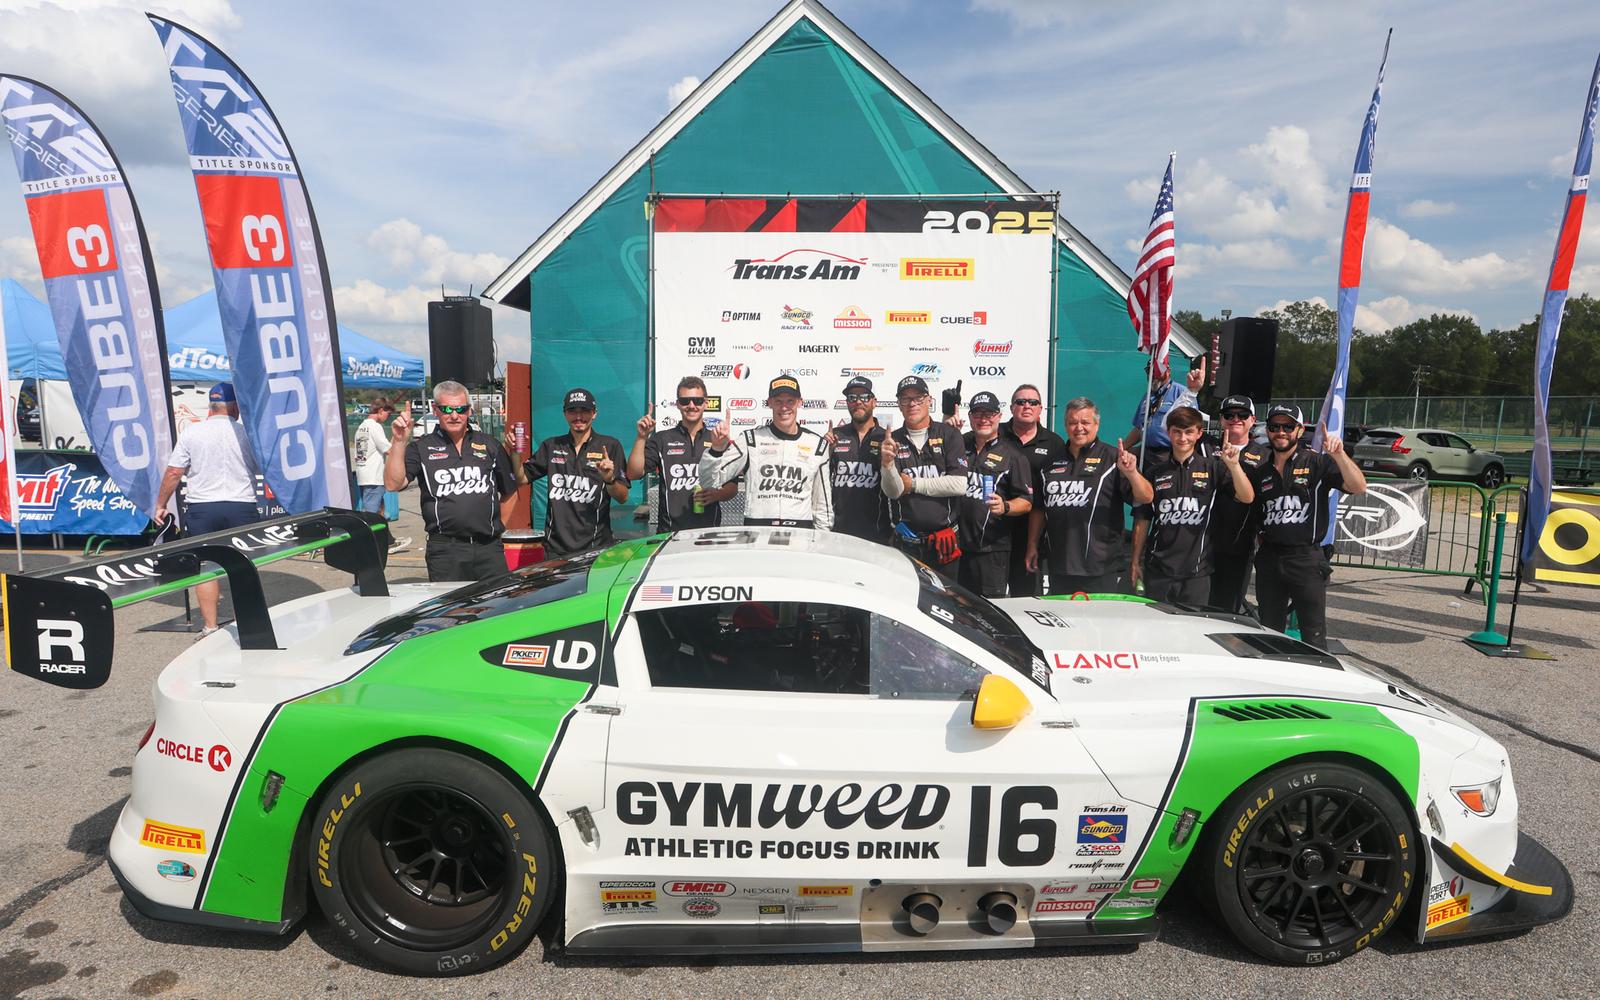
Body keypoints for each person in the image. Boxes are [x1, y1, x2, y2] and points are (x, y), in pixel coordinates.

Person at [1253, 404, 1368, 650]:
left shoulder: (1317, 462)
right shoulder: (1261, 470)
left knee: (1313, 635)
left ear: (1300, 430)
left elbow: (1358, 486)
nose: (1280, 432)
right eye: (1274, 426)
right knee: (1270, 633)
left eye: (1287, 426)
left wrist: (1339, 455)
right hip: (1270, 558)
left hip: (1306, 558)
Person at [153, 382, 262, 639]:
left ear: (211, 407)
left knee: (205, 567)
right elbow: (266, 467)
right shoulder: (247, 433)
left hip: (202, 507)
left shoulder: (193, 432)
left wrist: (161, 504)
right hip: (241, 506)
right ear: (235, 407)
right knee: (242, 566)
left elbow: (173, 472)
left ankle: (210, 627)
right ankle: (246, 623)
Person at [385, 380, 521, 581]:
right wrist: (398, 441)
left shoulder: (490, 445)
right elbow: (393, 484)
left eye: (461, 409)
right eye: (447, 409)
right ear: (435, 410)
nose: (455, 415)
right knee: (453, 612)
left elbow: (511, 492)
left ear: (469, 411)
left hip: (488, 549)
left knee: (496, 608)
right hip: (446, 551)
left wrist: (497, 529)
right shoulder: (422, 447)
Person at [1026, 397, 1153, 595]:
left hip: (1100, 567)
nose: (1079, 428)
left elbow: (1146, 498)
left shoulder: (1113, 459)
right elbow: (1040, 509)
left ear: (1096, 424)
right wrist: (1032, 545)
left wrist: (1132, 473)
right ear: (1066, 425)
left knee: (1098, 626)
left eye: (1085, 422)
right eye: (1072, 422)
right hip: (1060, 566)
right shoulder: (1049, 462)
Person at [1130, 406, 1255, 605]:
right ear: (1168, 432)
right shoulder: (1154, 472)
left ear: (1199, 433)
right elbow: (1143, 519)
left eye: (1189, 432)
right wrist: (1135, 560)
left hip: (1197, 574)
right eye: (1177, 432)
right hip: (1158, 571)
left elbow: (1247, 497)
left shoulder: (1213, 468)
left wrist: (1234, 465)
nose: (1182, 438)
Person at [699, 375, 833, 529]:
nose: (784, 407)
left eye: (790, 401)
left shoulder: (817, 445)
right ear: (769, 403)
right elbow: (709, 481)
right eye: (778, 401)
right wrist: (716, 450)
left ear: (800, 402)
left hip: (800, 533)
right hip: (758, 532)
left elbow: (823, 505)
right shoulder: (750, 440)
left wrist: (822, 537)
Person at [523, 388, 631, 558]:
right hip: (555, 549)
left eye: (585, 411)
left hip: (596, 548)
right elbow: (521, 477)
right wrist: (514, 452)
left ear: (594, 413)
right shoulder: (551, 446)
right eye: (572, 411)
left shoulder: (610, 446)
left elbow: (623, 497)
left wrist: (609, 480)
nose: (578, 417)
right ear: (565, 414)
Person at [881, 375, 967, 582]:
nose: (912, 404)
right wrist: (888, 464)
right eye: (905, 399)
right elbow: (893, 491)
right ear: (899, 405)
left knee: (948, 605)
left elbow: (959, 484)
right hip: (906, 544)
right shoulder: (892, 440)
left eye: (918, 398)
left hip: (944, 544)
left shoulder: (949, 434)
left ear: (929, 400)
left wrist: (913, 484)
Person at [627, 376, 735, 531]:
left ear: (706, 403)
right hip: (669, 533)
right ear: (677, 404)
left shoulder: (718, 440)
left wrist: (716, 495)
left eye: (697, 401)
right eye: (685, 401)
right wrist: (641, 437)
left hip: (708, 532)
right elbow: (633, 473)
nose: (691, 406)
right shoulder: (662, 439)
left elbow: (732, 487)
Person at [959, 392, 1033, 597]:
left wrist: (1006, 507)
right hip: (956, 549)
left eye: (989, 414)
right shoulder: (958, 446)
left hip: (991, 551)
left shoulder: (1014, 455)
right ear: (970, 417)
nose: (983, 419)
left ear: (999, 416)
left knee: (990, 611)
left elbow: (1027, 502)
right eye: (977, 413)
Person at [998, 384, 1065, 596]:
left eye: (1032, 402)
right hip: (994, 528)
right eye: (1020, 402)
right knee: (989, 596)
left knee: (1026, 596)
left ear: (1040, 409)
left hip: (1033, 530)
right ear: (1011, 408)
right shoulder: (995, 432)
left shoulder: (1054, 442)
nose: (1027, 406)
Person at [1205, 395, 1271, 612]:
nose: (1236, 419)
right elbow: (1174, 424)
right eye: (1229, 415)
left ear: (1253, 420)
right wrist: (1193, 393)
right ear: (1221, 420)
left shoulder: (1264, 456)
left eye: (1242, 415)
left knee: (1226, 613)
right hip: (1200, 545)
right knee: (1194, 610)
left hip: (1238, 546)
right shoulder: (1204, 447)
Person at [827, 376, 892, 543]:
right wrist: (825, 452)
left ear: (874, 402)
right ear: (847, 402)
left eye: (864, 397)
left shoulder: (886, 438)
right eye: (852, 397)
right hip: (838, 533)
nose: (858, 402)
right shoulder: (835, 436)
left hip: (876, 535)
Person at [1123, 359, 1205, 467]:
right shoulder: (1147, 396)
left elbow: (1191, 425)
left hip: (1168, 453)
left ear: (1168, 371)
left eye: (1157, 371)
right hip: (1146, 452)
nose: (1153, 375)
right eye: (1149, 371)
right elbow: (1140, 427)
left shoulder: (1181, 393)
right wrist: (1122, 448)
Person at [352, 398, 410, 552]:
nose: (387, 417)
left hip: (363, 473)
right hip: (374, 474)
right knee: (371, 512)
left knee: (379, 510)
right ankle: (366, 545)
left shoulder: (362, 427)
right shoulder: (375, 427)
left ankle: (388, 540)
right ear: (380, 411)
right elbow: (389, 450)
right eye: (387, 414)